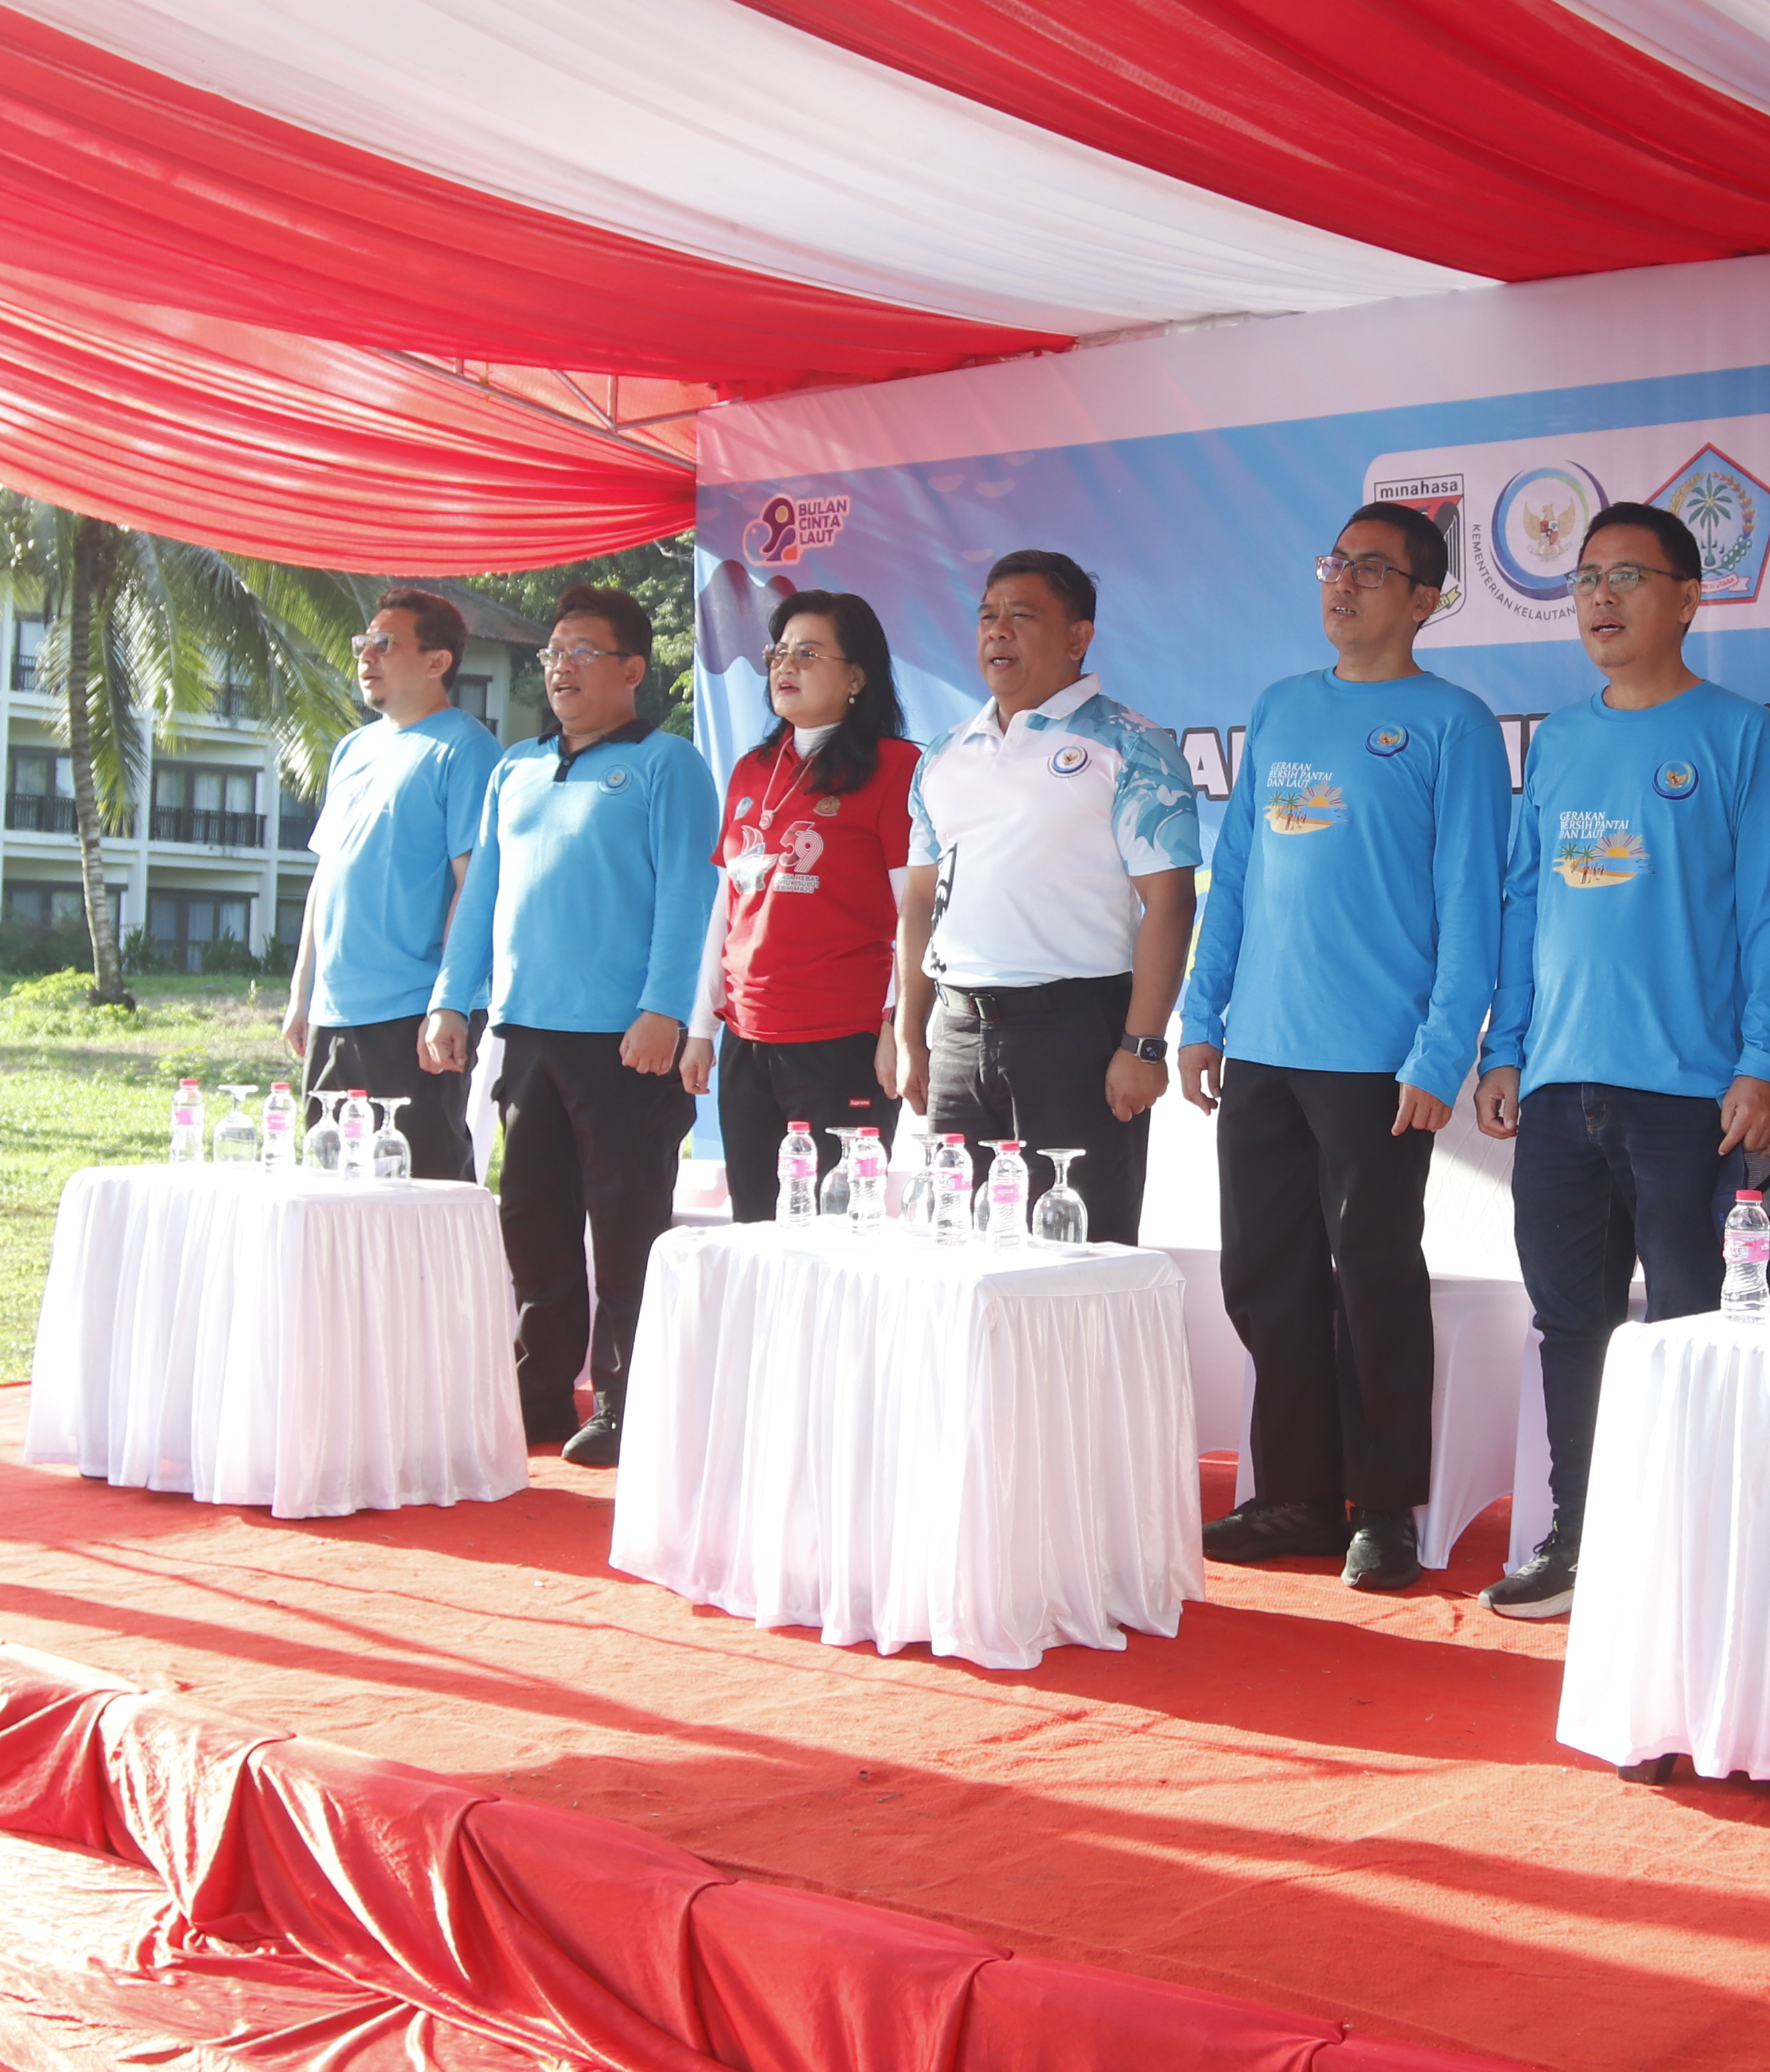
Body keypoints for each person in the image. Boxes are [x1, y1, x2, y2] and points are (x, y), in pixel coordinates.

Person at [1470, 502, 1770, 1620]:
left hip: (1689, 1096)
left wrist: (1765, 1063)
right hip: (1563, 1088)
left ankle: (1693, 1554)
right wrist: (1508, 1047)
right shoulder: (1560, 741)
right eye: (1585, 581)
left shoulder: (1741, 736)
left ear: (1690, 597)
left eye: (1628, 577)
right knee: (1573, 1325)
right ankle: (1581, 1540)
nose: (1601, 600)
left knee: (1690, 1325)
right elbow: (1525, 907)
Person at [1177, 503, 1508, 1593]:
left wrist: (1438, 1051)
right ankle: (1297, 1498)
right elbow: (1237, 880)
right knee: (1266, 1280)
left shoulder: (1451, 722)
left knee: (1373, 1280)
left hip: (1376, 1061)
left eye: (1374, 571)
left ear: (1425, 601)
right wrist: (1201, 1015)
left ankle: (1386, 1509)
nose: (1345, 584)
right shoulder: (1280, 708)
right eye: (1337, 564)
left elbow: (1474, 906)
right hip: (1263, 1051)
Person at [423, 587, 713, 1467]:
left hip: (627, 1039)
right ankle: (542, 1387)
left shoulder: (668, 765)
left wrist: (664, 1008)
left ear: (633, 669)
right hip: (529, 1035)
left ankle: (628, 1398)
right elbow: (482, 898)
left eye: (583, 652)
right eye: (552, 653)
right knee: (533, 1221)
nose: (560, 667)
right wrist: (451, 997)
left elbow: (690, 896)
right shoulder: (516, 768)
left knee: (627, 1225)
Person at [889, 551, 1201, 1246]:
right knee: (956, 1252)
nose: (997, 631)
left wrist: (1143, 1045)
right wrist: (907, 1031)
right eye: (988, 616)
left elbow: (1171, 903)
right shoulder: (943, 754)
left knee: (1077, 1259)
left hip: (1075, 1036)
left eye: (1021, 616)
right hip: (956, 1034)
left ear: (1077, 636)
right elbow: (917, 903)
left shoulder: (1130, 744)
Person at [680, 592, 921, 1216]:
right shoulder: (751, 768)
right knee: (757, 1231)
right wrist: (703, 1026)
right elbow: (727, 907)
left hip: (842, 1041)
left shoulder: (897, 768)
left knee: (835, 1238)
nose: (785, 666)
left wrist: (898, 1027)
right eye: (778, 652)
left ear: (858, 676)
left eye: (808, 653)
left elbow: (917, 914)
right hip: (747, 1037)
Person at [282, 585, 500, 1180]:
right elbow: (327, 875)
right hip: (336, 1009)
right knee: (329, 1185)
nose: (365, 658)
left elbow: (474, 888)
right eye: (362, 643)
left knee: (417, 1184)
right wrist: (303, 992)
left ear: (438, 661)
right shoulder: (353, 750)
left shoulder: (467, 748)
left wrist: (448, 1004)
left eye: (385, 644)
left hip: (413, 1013)